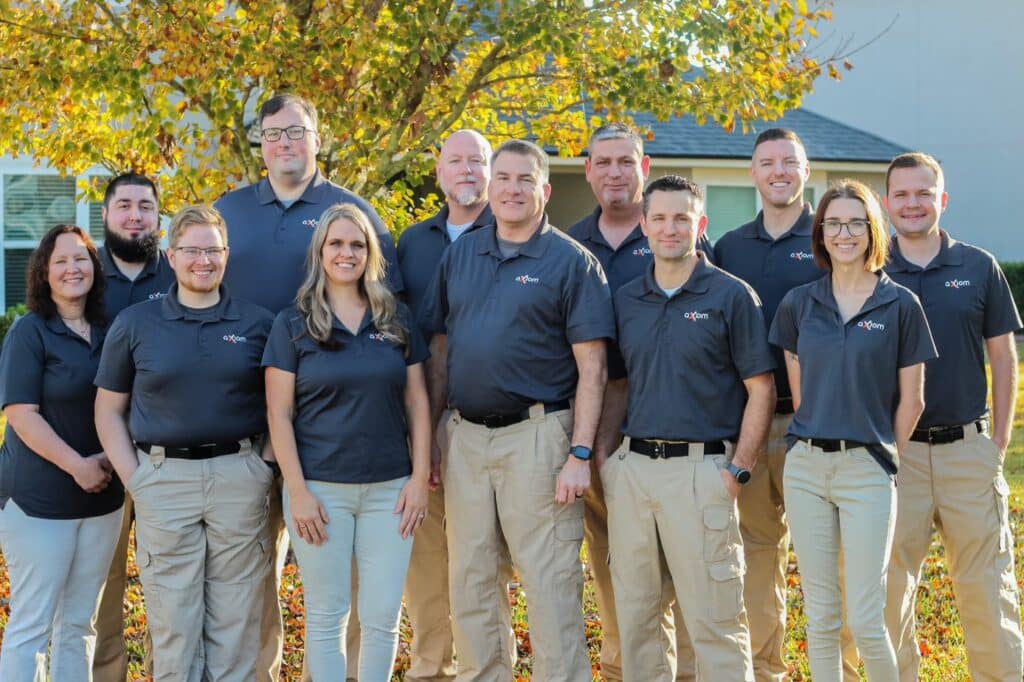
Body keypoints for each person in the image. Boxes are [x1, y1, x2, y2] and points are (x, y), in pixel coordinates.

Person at [214, 92, 403, 681]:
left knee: (355, 587)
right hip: (240, 427)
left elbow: (391, 322)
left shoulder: (355, 216)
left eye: (295, 131)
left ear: (317, 138)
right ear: (261, 146)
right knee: (251, 575)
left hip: (338, 437)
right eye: (272, 134)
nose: (285, 143)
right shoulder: (229, 211)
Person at [421, 139, 614, 681]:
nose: (510, 189)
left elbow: (593, 369)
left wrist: (579, 452)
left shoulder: (571, 263)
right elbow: (440, 349)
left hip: (539, 437)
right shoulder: (462, 254)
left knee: (550, 583)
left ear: (544, 190)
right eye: (501, 177)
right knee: (472, 583)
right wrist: (436, 432)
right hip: (464, 438)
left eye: (523, 179)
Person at [599, 175, 775, 681]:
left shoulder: (731, 296)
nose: (669, 228)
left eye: (681, 218)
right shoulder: (627, 299)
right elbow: (617, 384)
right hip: (633, 475)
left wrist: (737, 471)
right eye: (659, 218)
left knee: (714, 621)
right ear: (644, 225)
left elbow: (760, 389)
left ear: (700, 226)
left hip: (702, 473)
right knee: (638, 621)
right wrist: (609, 461)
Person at [94, 205, 275, 681]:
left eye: (212, 251)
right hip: (163, 480)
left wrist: (264, 467)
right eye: (191, 250)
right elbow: (108, 410)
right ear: (171, 256)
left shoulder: (258, 324)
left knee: (236, 622)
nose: (203, 261)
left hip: (239, 477)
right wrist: (138, 478)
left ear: (227, 255)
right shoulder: (136, 323)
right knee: (173, 624)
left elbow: (281, 407)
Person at [769, 180, 936, 681]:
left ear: (872, 230)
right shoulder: (798, 304)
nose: (844, 233)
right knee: (820, 617)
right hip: (805, 469)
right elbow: (801, 396)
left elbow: (914, 400)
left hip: (868, 469)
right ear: (820, 232)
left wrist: (883, 459)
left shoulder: (900, 304)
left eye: (856, 223)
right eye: (834, 223)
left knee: (865, 618)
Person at [263, 202, 430, 680]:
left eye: (357, 244)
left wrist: (419, 479)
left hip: (391, 491)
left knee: (381, 618)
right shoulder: (293, 323)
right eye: (336, 243)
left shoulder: (396, 318)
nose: (346, 252)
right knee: (325, 616)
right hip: (320, 490)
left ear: (370, 254)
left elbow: (418, 403)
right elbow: (279, 412)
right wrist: (297, 493)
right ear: (320, 252)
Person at [881, 152, 1023, 681]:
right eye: (902, 195)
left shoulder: (978, 266)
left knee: (989, 587)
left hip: (969, 451)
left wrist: (998, 443)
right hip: (899, 457)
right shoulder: (870, 270)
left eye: (924, 194)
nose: (913, 204)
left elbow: (1004, 357)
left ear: (941, 200)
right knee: (890, 588)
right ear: (887, 203)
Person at [711, 128, 846, 682]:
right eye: (767, 162)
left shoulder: (835, 239)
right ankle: (767, 668)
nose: (778, 172)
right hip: (754, 423)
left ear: (806, 169)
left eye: (789, 162)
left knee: (833, 555)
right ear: (753, 174)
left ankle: (842, 667)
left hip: (825, 421)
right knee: (758, 552)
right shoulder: (730, 248)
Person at [570, 122, 700, 681]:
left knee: (691, 572)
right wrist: (592, 445)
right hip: (603, 436)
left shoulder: (684, 239)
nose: (615, 172)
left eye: (626, 161)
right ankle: (629, 670)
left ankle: (692, 672)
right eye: (604, 162)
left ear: (643, 169)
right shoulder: (570, 248)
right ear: (589, 171)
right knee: (618, 570)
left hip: (680, 430)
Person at [397, 129, 516, 681]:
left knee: (480, 562)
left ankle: (483, 668)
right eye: (455, 160)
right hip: (418, 419)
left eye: (478, 161)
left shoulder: (517, 235)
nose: (466, 170)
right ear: (438, 170)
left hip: (488, 423)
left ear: (491, 171)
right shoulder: (411, 244)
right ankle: (429, 669)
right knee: (424, 559)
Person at [0, 224, 123, 681]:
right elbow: (21, 414)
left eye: (82, 258)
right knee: (32, 623)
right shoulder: (30, 332)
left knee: (79, 623)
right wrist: (78, 466)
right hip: (39, 502)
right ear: (44, 274)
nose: (73, 268)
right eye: (61, 261)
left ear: (95, 267)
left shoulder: (111, 331)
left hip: (102, 500)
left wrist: (107, 463)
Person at [93, 171, 174, 682]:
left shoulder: (180, 271)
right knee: (103, 586)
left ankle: (167, 672)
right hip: (98, 453)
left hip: (168, 455)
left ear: (158, 216)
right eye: (124, 206)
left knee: (169, 585)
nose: (134, 216)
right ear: (105, 214)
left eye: (145, 206)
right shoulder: (84, 274)